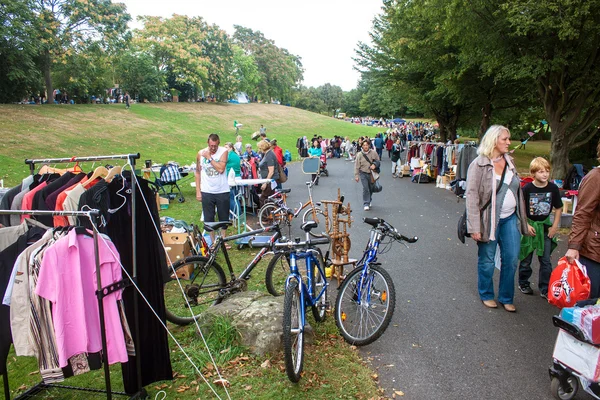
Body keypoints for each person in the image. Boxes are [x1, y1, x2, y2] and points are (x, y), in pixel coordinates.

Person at [466, 125, 529, 312]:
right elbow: (471, 197)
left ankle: (506, 297)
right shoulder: (478, 164)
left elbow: (517, 192)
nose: (509, 142)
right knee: (487, 259)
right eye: (505, 139)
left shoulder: (510, 162)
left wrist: (524, 221)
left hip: (510, 218)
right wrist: (474, 227)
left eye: (509, 139)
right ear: (494, 140)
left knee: (511, 258)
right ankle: (486, 293)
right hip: (488, 220)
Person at [517, 157, 562, 299]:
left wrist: (554, 226)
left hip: (545, 227)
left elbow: (559, 208)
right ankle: (523, 282)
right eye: (541, 172)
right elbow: (521, 208)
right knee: (526, 258)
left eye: (547, 171)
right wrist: (526, 225)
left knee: (546, 260)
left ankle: (545, 287)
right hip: (530, 226)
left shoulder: (553, 188)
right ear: (533, 174)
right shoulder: (527, 188)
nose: (545, 174)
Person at [566, 141, 600, 298]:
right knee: (587, 304)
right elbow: (582, 213)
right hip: (594, 251)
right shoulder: (595, 177)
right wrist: (574, 246)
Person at [195, 133, 230, 245]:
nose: (213, 148)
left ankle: (223, 240)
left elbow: (221, 169)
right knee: (209, 218)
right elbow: (197, 172)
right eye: (211, 146)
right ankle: (213, 241)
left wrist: (209, 157)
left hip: (222, 190)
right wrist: (198, 190)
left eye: (215, 146)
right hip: (207, 190)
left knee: (223, 217)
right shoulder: (200, 153)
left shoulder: (223, 152)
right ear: (208, 143)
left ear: (218, 143)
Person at [354, 140, 380, 211]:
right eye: (364, 145)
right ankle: (366, 203)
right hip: (363, 173)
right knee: (366, 188)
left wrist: (374, 165)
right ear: (362, 146)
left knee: (371, 188)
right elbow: (357, 166)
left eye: (367, 145)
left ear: (369, 145)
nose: (365, 146)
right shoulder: (359, 154)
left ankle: (369, 199)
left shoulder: (373, 153)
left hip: (371, 173)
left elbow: (378, 161)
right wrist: (356, 175)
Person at [257, 140, 279, 206]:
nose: (259, 150)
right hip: (268, 180)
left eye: (259, 148)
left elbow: (271, 171)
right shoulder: (267, 154)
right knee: (268, 199)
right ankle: (269, 214)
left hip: (270, 181)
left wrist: (265, 183)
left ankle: (265, 215)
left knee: (263, 199)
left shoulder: (269, 155)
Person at [224, 142, 242, 220]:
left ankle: (233, 216)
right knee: (236, 197)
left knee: (232, 198)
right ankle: (239, 214)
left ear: (231, 148)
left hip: (231, 178)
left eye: (226, 148)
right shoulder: (236, 155)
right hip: (238, 177)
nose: (225, 149)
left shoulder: (228, 156)